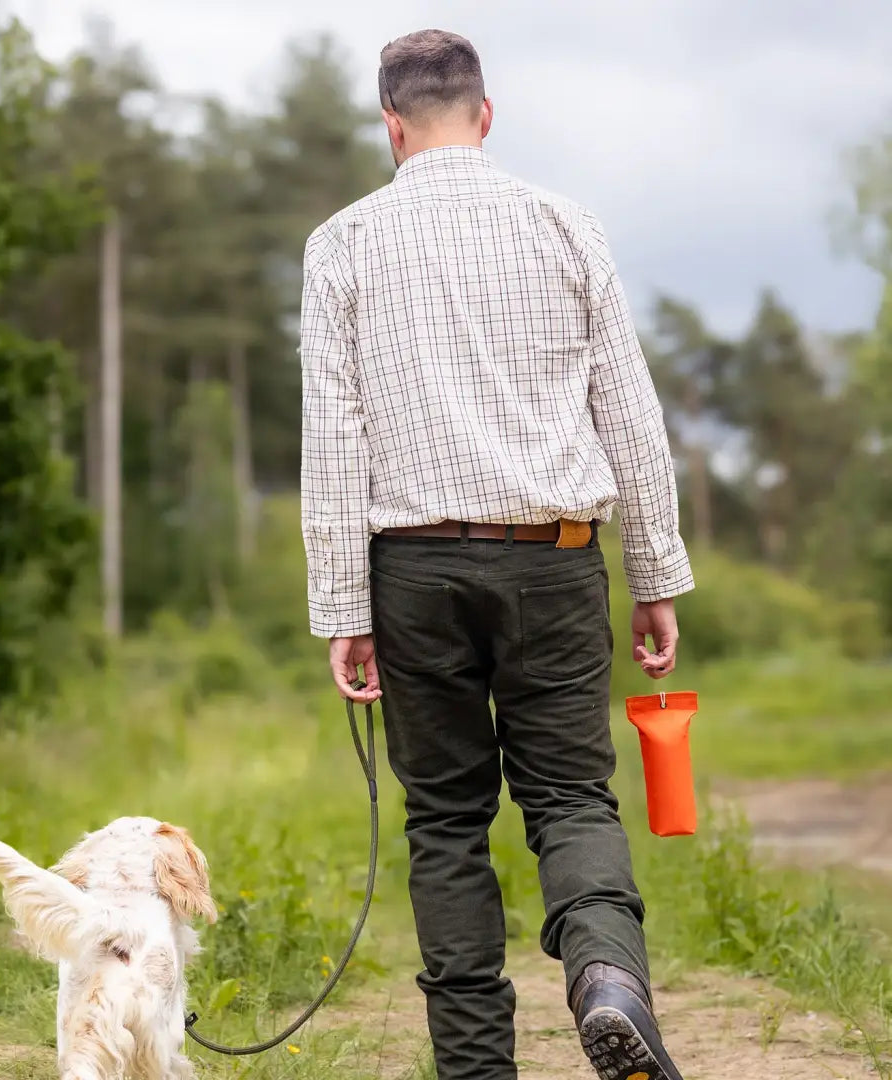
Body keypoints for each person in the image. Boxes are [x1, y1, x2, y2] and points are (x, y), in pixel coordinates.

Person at [299, 27, 694, 1080]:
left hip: (413, 572)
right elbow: (630, 412)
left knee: (444, 824)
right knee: (571, 798)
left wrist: (340, 605)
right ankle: (609, 979)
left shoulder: (341, 243)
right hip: (556, 559)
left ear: (391, 126)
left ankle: (476, 1070)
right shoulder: (565, 224)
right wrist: (655, 576)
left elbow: (334, 435)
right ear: (485, 114)